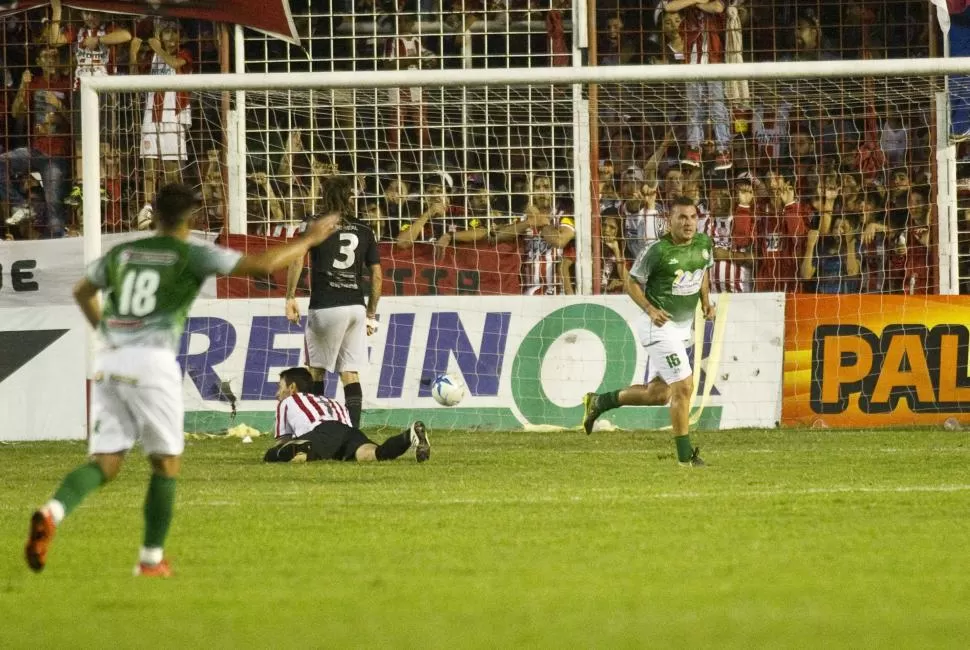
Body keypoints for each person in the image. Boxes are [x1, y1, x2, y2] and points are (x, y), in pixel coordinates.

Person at [24, 183, 342, 576]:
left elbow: (82, 290)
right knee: (166, 464)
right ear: (190, 218)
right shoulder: (191, 254)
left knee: (105, 462)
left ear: (154, 215)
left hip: (109, 362)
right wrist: (309, 239)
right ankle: (151, 560)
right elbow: (261, 266)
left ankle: (51, 511)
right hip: (151, 365)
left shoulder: (122, 254)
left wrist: (105, 331)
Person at [581, 195, 715, 467]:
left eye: (692, 217)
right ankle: (685, 458)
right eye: (682, 217)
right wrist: (650, 309)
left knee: (660, 394)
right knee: (684, 387)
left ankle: (599, 402)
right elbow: (631, 283)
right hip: (658, 327)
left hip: (682, 328)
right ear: (670, 220)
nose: (688, 223)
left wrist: (705, 301)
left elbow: (702, 273)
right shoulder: (658, 250)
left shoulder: (704, 243)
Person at [285, 176, 381, 429]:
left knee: (316, 371)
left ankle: (318, 428)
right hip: (355, 307)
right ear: (350, 197)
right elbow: (377, 275)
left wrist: (290, 297)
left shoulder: (315, 225)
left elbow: (296, 259)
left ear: (323, 196)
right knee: (349, 372)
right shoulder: (364, 228)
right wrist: (371, 314)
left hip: (326, 306)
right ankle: (354, 432)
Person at [263, 367, 430, 463]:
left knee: (272, 455)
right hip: (348, 432)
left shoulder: (288, 401)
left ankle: (304, 449)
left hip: (321, 432)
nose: (277, 394)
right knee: (374, 454)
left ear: (292, 388)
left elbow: (282, 441)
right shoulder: (329, 401)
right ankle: (409, 435)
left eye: (280, 387)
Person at [132, 21, 193, 229]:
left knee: (171, 169)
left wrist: (157, 47)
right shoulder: (151, 58)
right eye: (167, 32)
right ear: (160, 34)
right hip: (152, 117)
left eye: (175, 32)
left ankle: (170, 210)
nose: (172, 37)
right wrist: (134, 51)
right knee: (150, 165)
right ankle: (147, 208)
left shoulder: (184, 54)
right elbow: (134, 75)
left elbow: (175, 65)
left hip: (174, 118)